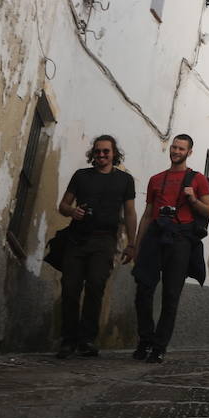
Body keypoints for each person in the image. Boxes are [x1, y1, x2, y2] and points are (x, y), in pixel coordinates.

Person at [131, 133, 209, 363]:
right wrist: (137, 246)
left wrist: (193, 199)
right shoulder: (156, 179)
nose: (176, 151)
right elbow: (147, 215)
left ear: (189, 152)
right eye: (174, 147)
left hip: (181, 239)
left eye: (181, 149)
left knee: (171, 295)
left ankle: (159, 346)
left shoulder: (198, 179)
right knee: (143, 290)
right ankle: (145, 339)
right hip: (155, 236)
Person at [56, 134, 138, 358]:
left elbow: (130, 213)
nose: (101, 155)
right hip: (77, 239)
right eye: (98, 151)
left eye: (106, 151)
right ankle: (68, 339)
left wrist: (132, 244)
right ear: (93, 153)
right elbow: (63, 205)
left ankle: (86, 340)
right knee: (70, 288)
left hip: (105, 241)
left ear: (114, 153)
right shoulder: (81, 176)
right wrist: (72, 211)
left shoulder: (125, 180)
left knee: (95, 287)